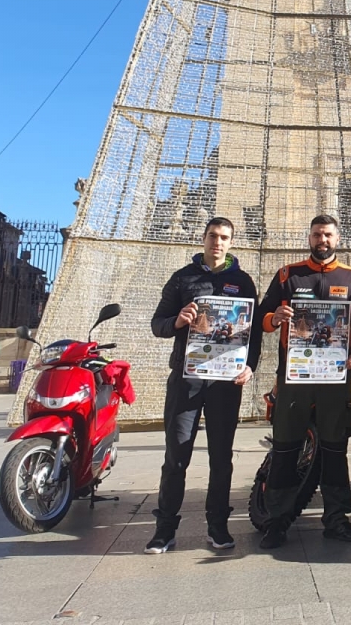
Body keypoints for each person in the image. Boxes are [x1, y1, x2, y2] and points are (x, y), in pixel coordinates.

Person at [255, 215, 351, 550]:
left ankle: (336, 519)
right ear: (309, 238)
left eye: (327, 235)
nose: (322, 240)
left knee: (336, 450)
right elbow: (262, 317)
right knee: (285, 449)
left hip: (336, 380)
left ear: (337, 239)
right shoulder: (288, 275)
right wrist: (273, 319)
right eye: (316, 234)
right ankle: (276, 522)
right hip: (294, 378)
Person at [145, 217, 260, 554]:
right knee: (176, 455)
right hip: (187, 379)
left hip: (226, 382)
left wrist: (250, 366)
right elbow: (158, 324)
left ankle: (218, 527)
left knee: (221, 457)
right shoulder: (183, 278)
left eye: (224, 237)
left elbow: (253, 335)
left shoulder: (243, 281)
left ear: (231, 243)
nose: (218, 242)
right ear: (204, 238)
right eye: (213, 236)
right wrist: (177, 321)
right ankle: (164, 529)